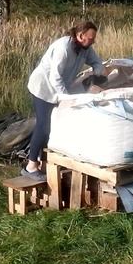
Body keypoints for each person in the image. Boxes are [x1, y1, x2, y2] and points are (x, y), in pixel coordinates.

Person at [21, 21, 106, 181]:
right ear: (80, 36)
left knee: (53, 125)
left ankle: (43, 162)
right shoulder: (63, 48)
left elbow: (96, 61)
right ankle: (30, 166)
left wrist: (98, 73)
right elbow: (55, 77)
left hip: (59, 87)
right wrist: (65, 98)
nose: (93, 41)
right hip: (43, 87)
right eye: (90, 38)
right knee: (43, 123)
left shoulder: (85, 48)